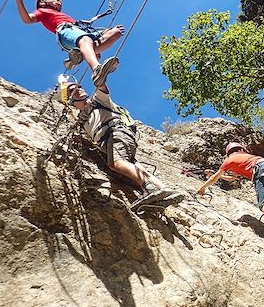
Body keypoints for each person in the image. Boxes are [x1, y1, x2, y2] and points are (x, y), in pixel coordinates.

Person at [58, 65, 184, 211]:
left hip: (116, 133)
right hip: (112, 141)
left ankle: (150, 189)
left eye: (78, 86)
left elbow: (101, 85)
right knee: (136, 167)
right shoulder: (81, 120)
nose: (78, 88)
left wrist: (98, 71)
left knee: (116, 163)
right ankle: (164, 190)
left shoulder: (98, 100)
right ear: (70, 100)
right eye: (72, 90)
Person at [9, 0, 124, 87]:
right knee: (85, 40)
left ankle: (81, 53)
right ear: (42, 2)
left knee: (116, 32)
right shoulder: (42, 11)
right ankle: (96, 69)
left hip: (79, 30)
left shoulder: (62, 15)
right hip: (65, 30)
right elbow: (27, 19)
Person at [196, 142, 264, 249]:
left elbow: (213, 179)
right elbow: (232, 178)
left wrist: (203, 187)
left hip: (261, 169)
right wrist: (215, 174)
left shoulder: (229, 160)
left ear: (228, 153)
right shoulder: (246, 158)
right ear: (241, 149)